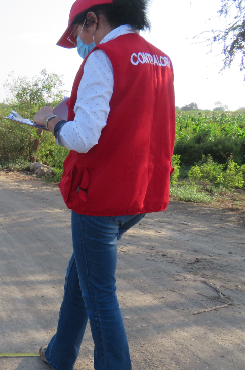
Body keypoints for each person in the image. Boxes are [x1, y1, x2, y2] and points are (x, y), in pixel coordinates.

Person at [31, 0, 175, 369]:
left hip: (101, 196)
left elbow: (82, 137)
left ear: (92, 20)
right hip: (139, 196)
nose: (79, 39)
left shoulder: (103, 57)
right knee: (81, 275)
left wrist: (50, 122)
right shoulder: (161, 60)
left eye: (79, 30)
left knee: (99, 294)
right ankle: (60, 354)